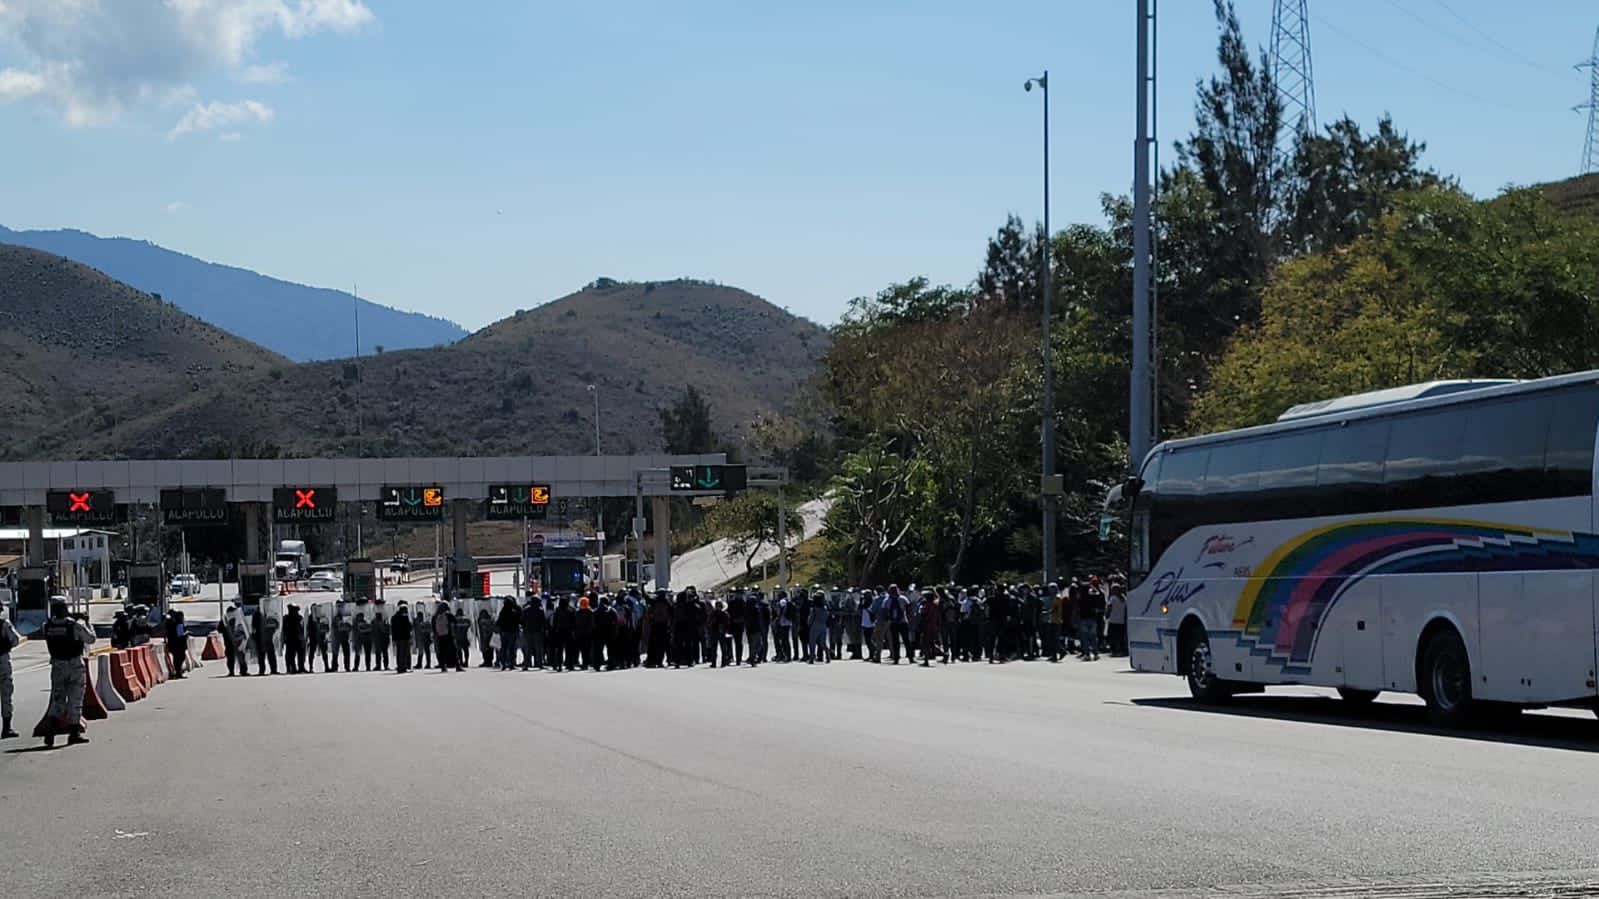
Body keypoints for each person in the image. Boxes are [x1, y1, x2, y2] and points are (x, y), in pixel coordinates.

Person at [34, 600, 95, 747]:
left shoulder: (47, 626)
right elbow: (91, 639)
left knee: (57, 699)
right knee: (75, 699)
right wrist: (86, 622)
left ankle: (50, 733)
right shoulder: (74, 625)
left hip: (57, 666)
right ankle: (74, 733)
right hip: (74, 665)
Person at [0, 598, 19, 738]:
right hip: (2, 661)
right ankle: (6, 728)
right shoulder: (4, 624)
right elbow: (15, 640)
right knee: (6, 694)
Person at [1077, 577, 1106, 661]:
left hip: (1083, 619)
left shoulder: (1081, 598)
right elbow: (1098, 593)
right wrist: (1092, 587)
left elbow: (1077, 608)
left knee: (1085, 637)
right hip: (1093, 618)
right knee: (1093, 637)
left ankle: (1087, 654)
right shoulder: (1093, 597)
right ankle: (1096, 653)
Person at [549, 596, 574, 672]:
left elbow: (554, 622)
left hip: (559, 632)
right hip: (568, 632)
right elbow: (573, 622)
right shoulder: (571, 610)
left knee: (559, 650)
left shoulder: (557, 610)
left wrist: (553, 631)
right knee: (569, 650)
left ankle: (559, 665)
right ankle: (570, 665)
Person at [520, 595, 545, 670]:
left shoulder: (526, 609)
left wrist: (524, 629)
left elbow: (522, 620)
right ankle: (539, 664)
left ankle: (527, 664)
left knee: (528, 649)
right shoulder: (540, 610)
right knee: (538, 649)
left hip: (528, 631)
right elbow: (543, 621)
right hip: (537, 631)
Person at [1106, 577, 1129, 657]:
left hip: (1113, 621)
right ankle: (1122, 650)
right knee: (1121, 637)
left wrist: (1107, 615)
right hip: (1121, 621)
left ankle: (1114, 651)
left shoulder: (1113, 599)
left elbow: (1109, 608)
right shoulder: (1124, 598)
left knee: (1113, 637)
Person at [917, 589, 940, 667]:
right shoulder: (935, 605)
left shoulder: (926, 605)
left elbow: (923, 614)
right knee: (932, 641)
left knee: (925, 643)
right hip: (933, 625)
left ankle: (926, 659)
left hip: (926, 625)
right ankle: (937, 654)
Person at [254, 606, 279, 676]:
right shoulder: (256, 615)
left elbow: (276, 624)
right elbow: (254, 626)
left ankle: (273, 669)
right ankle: (262, 670)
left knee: (270, 655)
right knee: (262, 656)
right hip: (260, 638)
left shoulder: (270, 615)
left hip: (268, 638)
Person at [432, 602, 456, 673]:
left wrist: (435, 634)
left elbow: (433, 627)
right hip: (448, 635)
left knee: (442, 652)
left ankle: (443, 666)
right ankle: (457, 665)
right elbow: (455, 621)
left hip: (440, 636)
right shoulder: (448, 615)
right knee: (454, 650)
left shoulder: (435, 616)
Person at [807, 593, 830, 665]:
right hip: (823, 626)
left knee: (812, 642)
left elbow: (811, 618)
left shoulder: (814, 609)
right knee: (823, 643)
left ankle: (811, 658)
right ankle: (828, 656)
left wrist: (809, 623)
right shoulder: (825, 608)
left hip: (815, 626)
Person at [280, 605, 303, 675]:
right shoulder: (288, 618)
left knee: (294, 655)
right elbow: (283, 629)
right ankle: (293, 668)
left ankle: (295, 668)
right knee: (291, 655)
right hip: (292, 639)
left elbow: (301, 628)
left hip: (294, 639)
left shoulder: (296, 618)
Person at [392, 601, 413, 673]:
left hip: (398, 638)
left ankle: (400, 666)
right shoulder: (405, 617)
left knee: (400, 653)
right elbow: (409, 627)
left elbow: (393, 629)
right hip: (404, 637)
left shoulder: (394, 617)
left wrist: (394, 638)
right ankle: (404, 666)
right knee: (404, 653)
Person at [372, 605, 391, 671]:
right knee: (381, 653)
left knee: (382, 653)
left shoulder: (382, 621)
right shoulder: (383, 621)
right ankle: (381, 665)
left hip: (382, 638)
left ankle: (381, 665)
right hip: (381, 638)